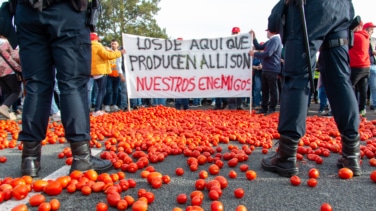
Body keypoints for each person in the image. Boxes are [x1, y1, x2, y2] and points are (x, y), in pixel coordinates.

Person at [261, 0, 361, 177]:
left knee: (297, 76)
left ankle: (286, 156)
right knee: (339, 78)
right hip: (340, 7)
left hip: (309, 7)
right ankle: (351, 153)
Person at [15, 1, 113, 177]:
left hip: (27, 11)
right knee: (72, 83)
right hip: (65, 9)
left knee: (36, 85)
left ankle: (30, 159)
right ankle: (81, 157)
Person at [90, 33, 125, 117]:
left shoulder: (87, 46)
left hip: (92, 71)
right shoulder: (98, 46)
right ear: (96, 39)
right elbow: (108, 56)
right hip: (101, 71)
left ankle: (97, 108)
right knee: (102, 91)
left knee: (97, 90)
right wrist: (120, 53)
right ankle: (97, 110)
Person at [249, 29, 282, 114]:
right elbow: (259, 47)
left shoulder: (275, 40)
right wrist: (254, 38)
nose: (267, 33)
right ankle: (264, 107)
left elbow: (268, 53)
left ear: (272, 31)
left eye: (268, 31)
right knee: (265, 89)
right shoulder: (270, 41)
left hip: (272, 68)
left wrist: (254, 54)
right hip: (266, 68)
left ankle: (272, 108)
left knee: (272, 90)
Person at [349, 20, 371, 117]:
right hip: (366, 66)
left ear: (358, 26)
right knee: (362, 90)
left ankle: (351, 109)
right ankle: (362, 110)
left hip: (356, 66)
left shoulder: (355, 36)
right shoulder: (365, 37)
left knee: (349, 88)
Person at [0, 36, 22, 120]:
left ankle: (5, 112)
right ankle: (4, 107)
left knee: (6, 92)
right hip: (9, 70)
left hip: (0, 72)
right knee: (16, 91)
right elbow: (14, 56)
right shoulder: (4, 42)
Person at [103, 39, 122, 113]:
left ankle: (114, 104)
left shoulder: (119, 53)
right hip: (109, 74)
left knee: (116, 90)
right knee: (109, 90)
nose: (113, 45)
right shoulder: (108, 51)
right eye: (112, 44)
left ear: (118, 45)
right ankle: (107, 104)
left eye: (115, 44)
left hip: (117, 74)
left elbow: (120, 64)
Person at [363, 22, 376, 112]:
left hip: (373, 64)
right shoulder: (362, 38)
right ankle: (361, 105)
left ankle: (373, 104)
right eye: (371, 29)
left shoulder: (373, 40)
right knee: (363, 87)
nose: (372, 31)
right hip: (364, 65)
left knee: (374, 86)